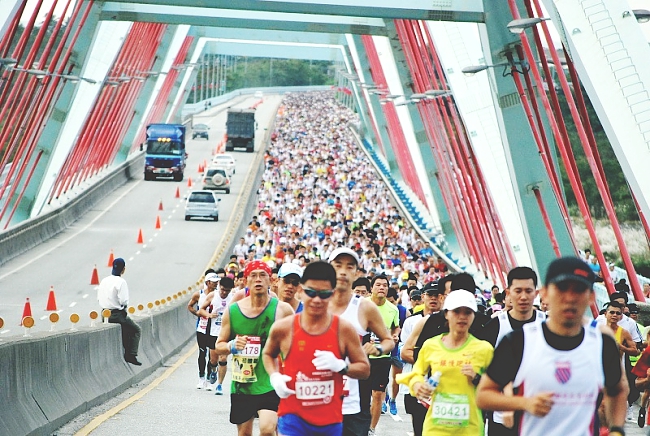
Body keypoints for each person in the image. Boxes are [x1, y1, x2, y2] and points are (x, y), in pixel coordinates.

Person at [476, 257, 629, 436]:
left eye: (579, 290)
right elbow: (483, 395)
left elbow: (617, 390)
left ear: (591, 297)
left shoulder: (602, 343)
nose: (570, 298)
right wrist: (524, 403)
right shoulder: (519, 342)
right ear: (545, 294)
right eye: (562, 289)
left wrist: (617, 430)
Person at [262, 261, 371, 436]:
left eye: (324, 294)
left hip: (329, 420)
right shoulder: (283, 328)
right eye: (311, 292)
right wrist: (274, 376)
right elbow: (268, 354)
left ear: (333, 294)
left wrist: (341, 367)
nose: (317, 300)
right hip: (293, 417)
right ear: (301, 291)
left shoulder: (344, 329)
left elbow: (364, 369)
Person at [396, 290, 494, 435]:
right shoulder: (431, 345)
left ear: (474, 315)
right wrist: (417, 386)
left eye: (467, 312)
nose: (462, 317)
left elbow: (497, 388)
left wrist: (477, 378)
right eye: (456, 311)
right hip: (436, 428)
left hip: (469, 428)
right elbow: (416, 373)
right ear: (446, 314)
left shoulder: (484, 349)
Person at [215, 260, 294, 436]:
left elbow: (296, 342)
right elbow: (218, 345)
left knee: (267, 429)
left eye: (262, 275)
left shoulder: (283, 310)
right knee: (244, 434)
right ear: (246, 281)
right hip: (243, 384)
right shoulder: (233, 311)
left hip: (270, 379)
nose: (258, 279)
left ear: (270, 280)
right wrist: (231, 345)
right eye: (253, 275)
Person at [327, 247, 394, 436]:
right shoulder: (318, 303)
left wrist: (377, 349)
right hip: (322, 392)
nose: (342, 271)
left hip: (356, 396)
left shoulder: (364, 307)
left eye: (349, 267)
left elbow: (388, 341)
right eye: (337, 265)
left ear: (356, 273)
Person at [478, 267, 546, 436]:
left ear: (536, 293)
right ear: (508, 292)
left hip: (540, 416)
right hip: (502, 416)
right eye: (518, 291)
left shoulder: (548, 325)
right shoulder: (494, 326)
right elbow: (483, 368)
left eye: (528, 291)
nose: (523, 296)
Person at [399, 281, 443, 436]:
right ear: (423, 296)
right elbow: (403, 352)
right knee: (419, 427)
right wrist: (431, 363)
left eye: (438, 295)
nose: (434, 299)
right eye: (430, 295)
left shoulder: (449, 322)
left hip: (441, 386)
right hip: (417, 384)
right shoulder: (412, 321)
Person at [366, 275, 400, 433]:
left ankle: (371, 429)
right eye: (378, 285)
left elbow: (396, 327)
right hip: (363, 357)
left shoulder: (393, 309)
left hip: (383, 357)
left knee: (378, 395)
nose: (381, 288)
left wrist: (394, 335)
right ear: (371, 288)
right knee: (362, 396)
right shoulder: (363, 305)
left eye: (385, 285)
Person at [97, 257, 142, 366]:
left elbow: (99, 298)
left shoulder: (104, 280)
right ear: (123, 270)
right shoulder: (121, 282)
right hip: (117, 314)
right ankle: (131, 355)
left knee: (126, 330)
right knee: (136, 330)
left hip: (104, 314)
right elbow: (123, 300)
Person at [201, 276, 235, 395]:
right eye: (223, 290)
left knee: (223, 358)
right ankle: (213, 371)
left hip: (226, 332)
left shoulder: (234, 298)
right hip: (213, 332)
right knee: (213, 360)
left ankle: (219, 385)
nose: (224, 293)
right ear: (219, 286)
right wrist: (209, 315)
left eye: (227, 290)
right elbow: (201, 310)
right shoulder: (212, 296)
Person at [188, 272, 220, 389]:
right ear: (207, 283)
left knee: (212, 356)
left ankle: (208, 378)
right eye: (214, 282)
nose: (216, 284)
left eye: (217, 282)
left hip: (214, 329)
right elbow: (190, 305)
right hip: (201, 328)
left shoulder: (218, 295)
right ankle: (201, 378)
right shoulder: (199, 294)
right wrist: (197, 314)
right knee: (202, 353)